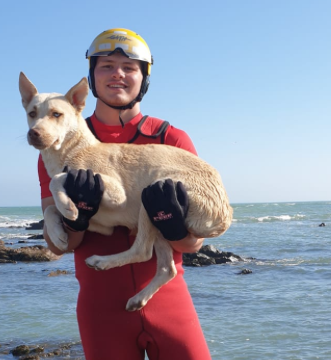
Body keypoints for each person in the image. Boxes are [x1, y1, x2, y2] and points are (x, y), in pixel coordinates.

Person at [37, 28, 212, 359]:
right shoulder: (57, 146)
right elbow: (58, 245)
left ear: (143, 79)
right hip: (100, 307)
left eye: (129, 67)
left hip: (168, 300)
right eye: (106, 65)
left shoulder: (171, 140)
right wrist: (79, 217)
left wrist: (173, 226)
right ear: (91, 76)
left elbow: (192, 244)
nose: (117, 73)